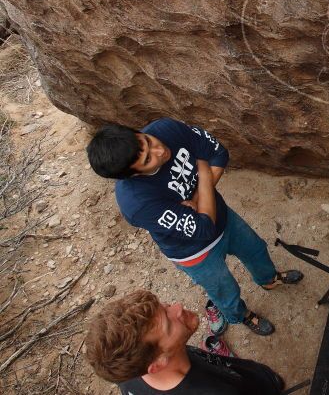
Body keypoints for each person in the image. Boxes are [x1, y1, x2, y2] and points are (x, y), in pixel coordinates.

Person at [87, 118, 302, 336]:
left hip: (223, 217)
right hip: (194, 252)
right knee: (224, 290)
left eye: (147, 141)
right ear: (132, 175)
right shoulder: (136, 203)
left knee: (256, 249)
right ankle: (241, 315)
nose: (160, 150)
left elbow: (219, 153)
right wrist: (204, 172)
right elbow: (203, 228)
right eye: (148, 159)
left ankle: (269, 280)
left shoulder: (165, 128)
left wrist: (199, 198)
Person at [85, 289, 284, 394]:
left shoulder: (128, 370)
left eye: (165, 307)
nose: (178, 307)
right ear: (158, 363)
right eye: (168, 324)